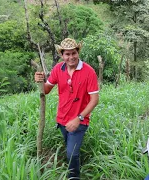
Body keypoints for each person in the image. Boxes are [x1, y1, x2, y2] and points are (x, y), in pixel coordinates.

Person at [34, 38, 99, 179]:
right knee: (70, 149)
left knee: (72, 153)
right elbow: (46, 90)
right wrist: (40, 81)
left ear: (78, 52)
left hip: (80, 120)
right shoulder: (58, 69)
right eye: (67, 54)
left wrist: (79, 118)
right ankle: (74, 167)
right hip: (62, 119)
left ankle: (73, 177)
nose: (71, 57)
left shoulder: (89, 72)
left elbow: (94, 100)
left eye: (73, 53)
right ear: (62, 55)